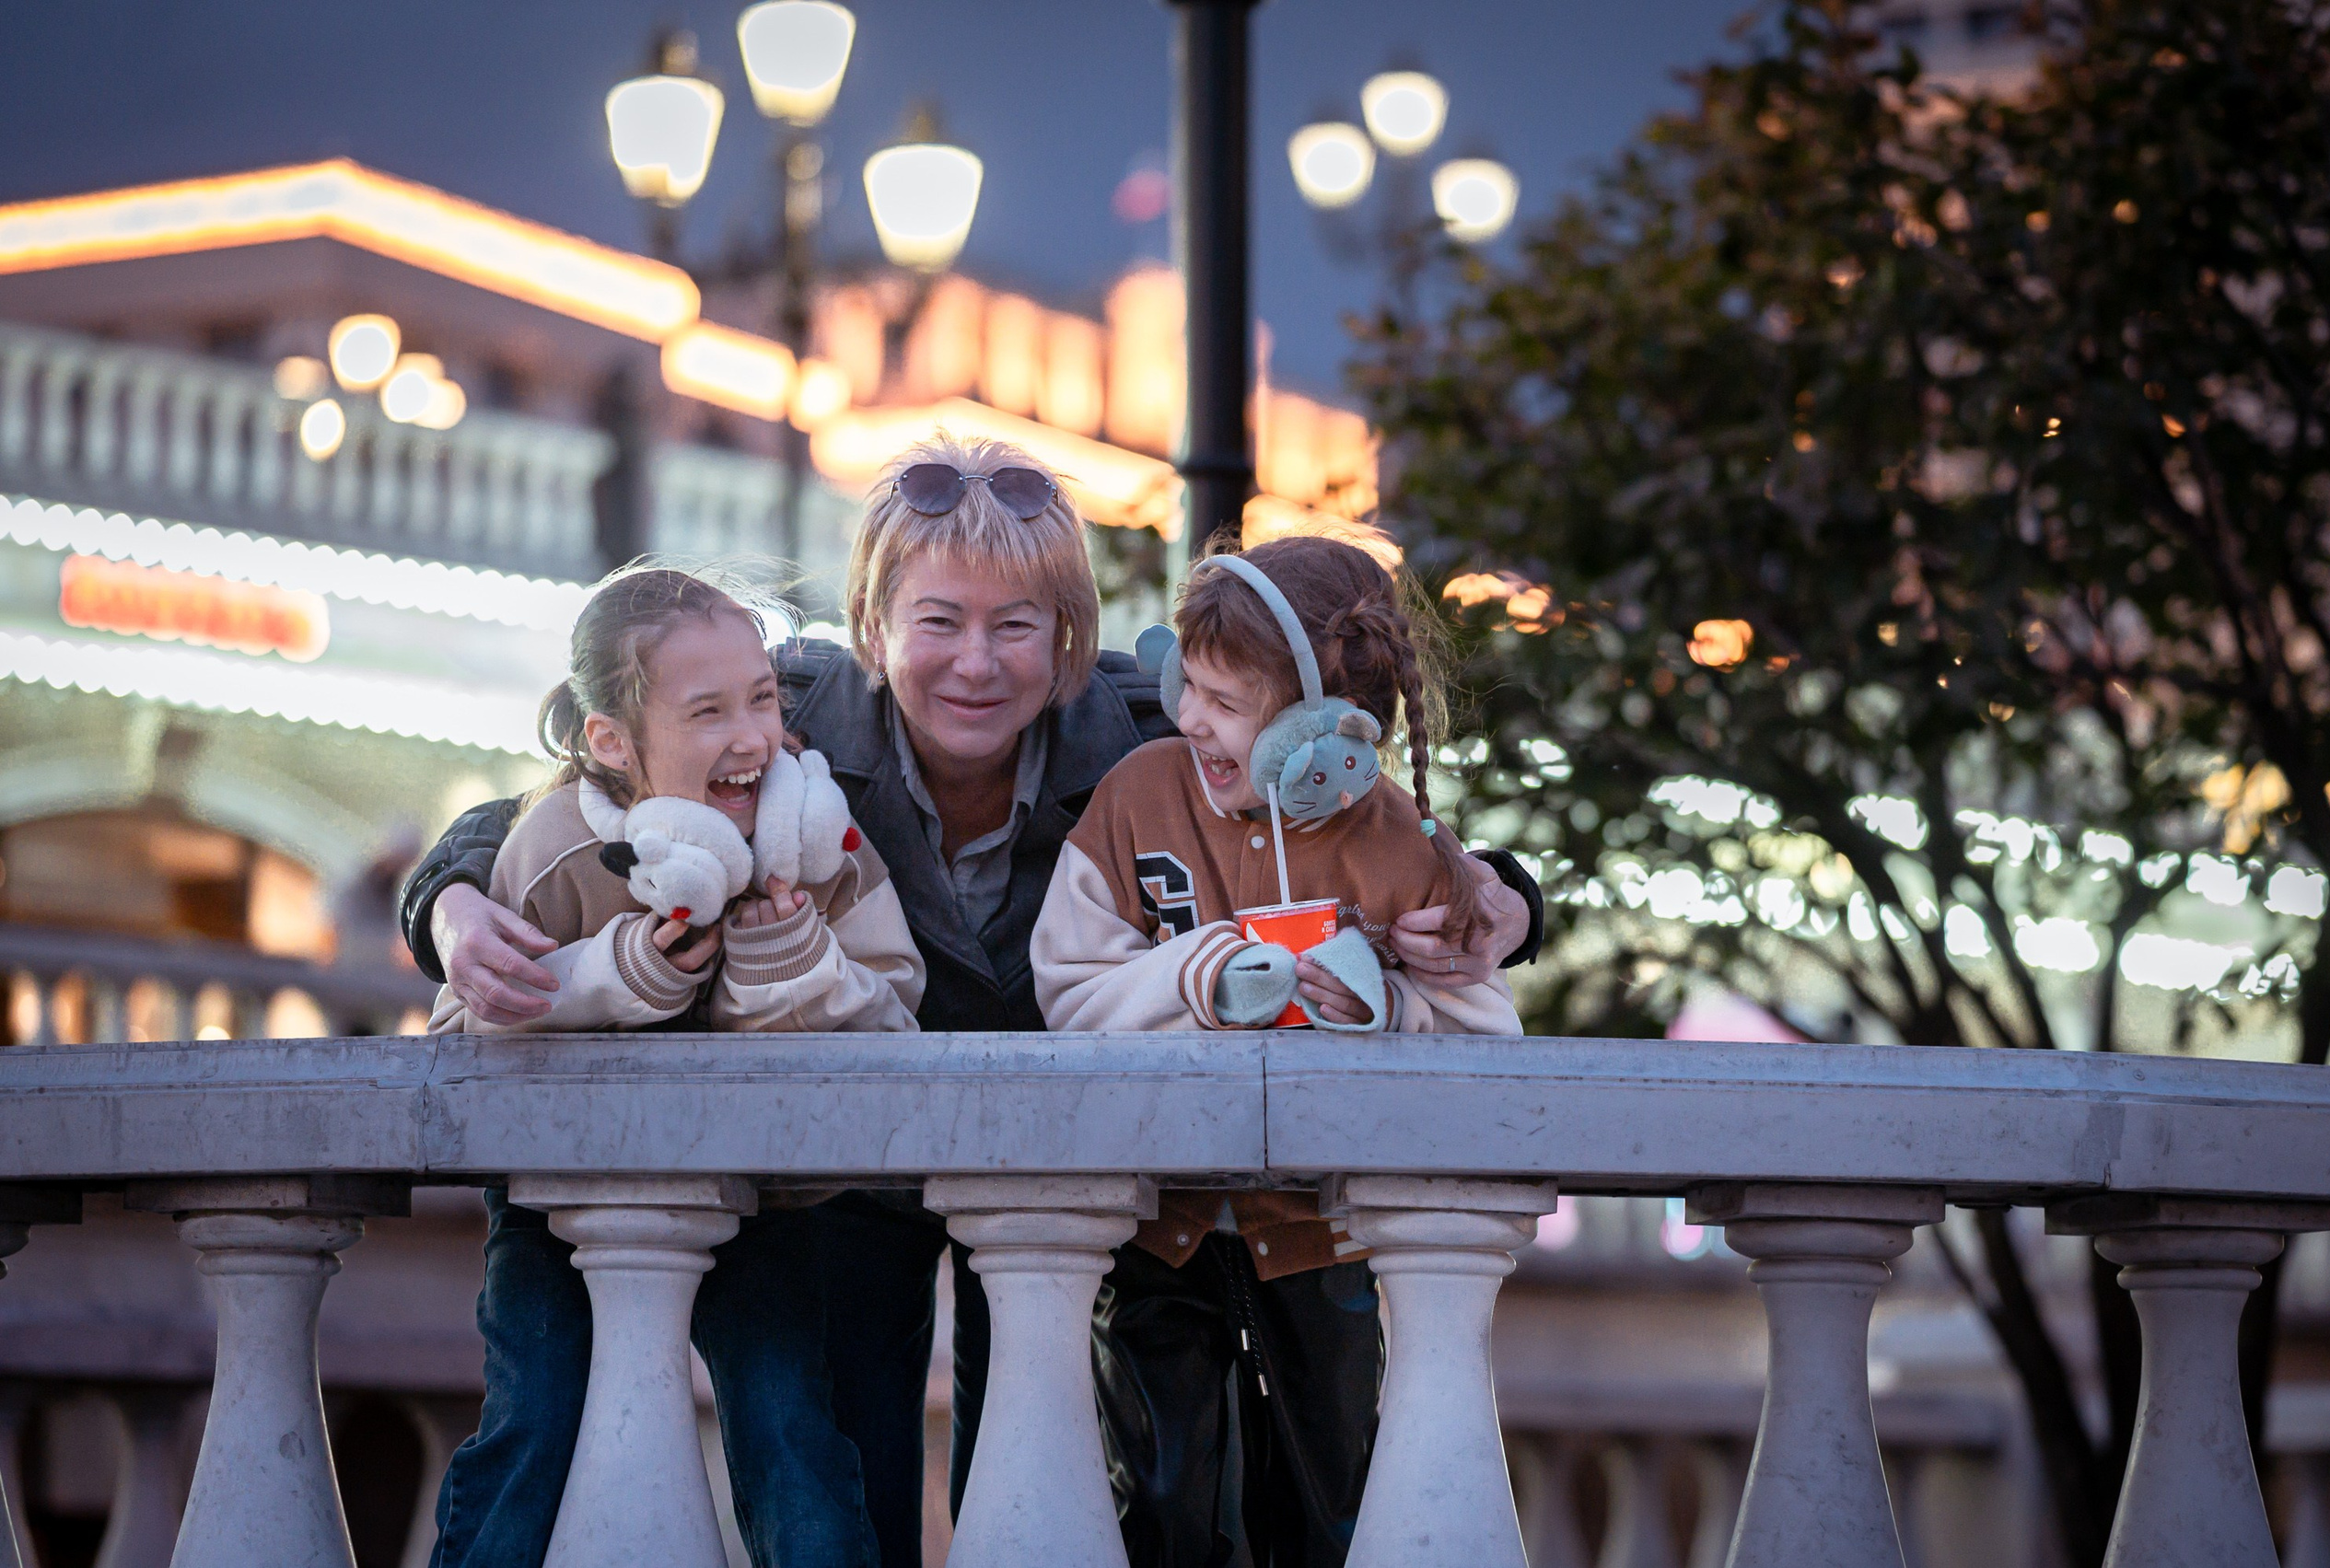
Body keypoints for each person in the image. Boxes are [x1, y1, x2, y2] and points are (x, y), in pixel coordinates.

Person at [398, 435, 1545, 1568]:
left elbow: (1348, 794)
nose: (976, 663)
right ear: (874, 626)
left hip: (1047, 1169)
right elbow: (585, 792)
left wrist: (1509, 898)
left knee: (1033, 1459)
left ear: (1066, 640)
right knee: (845, 1478)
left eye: (1015, 625)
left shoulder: (1157, 722)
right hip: (845, 1167)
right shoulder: (785, 702)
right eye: (938, 621)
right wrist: (448, 902)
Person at [1032, 535, 1520, 1567]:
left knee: (1326, 1502)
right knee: (1163, 1507)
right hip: (1153, 1235)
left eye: (1224, 699)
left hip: (1317, 1246)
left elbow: (1489, 1039)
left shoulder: (1402, 842)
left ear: (1318, 729)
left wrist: (1388, 1007)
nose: (1190, 717)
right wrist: (1190, 979)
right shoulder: (1137, 794)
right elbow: (1067, 987)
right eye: (1188, 685)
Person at [425, 564, 923, 1568]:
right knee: (531, 1426)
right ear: (611, 740)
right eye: (707, 710)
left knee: (793, 1432)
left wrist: (795, 969)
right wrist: (619, 973)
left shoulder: (815, 837)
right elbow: (455, 1047)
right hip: (552, 1208)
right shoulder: (555, 846)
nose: (752, 736)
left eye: (763, 698)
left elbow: (895, 1010)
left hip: (761, 1195)